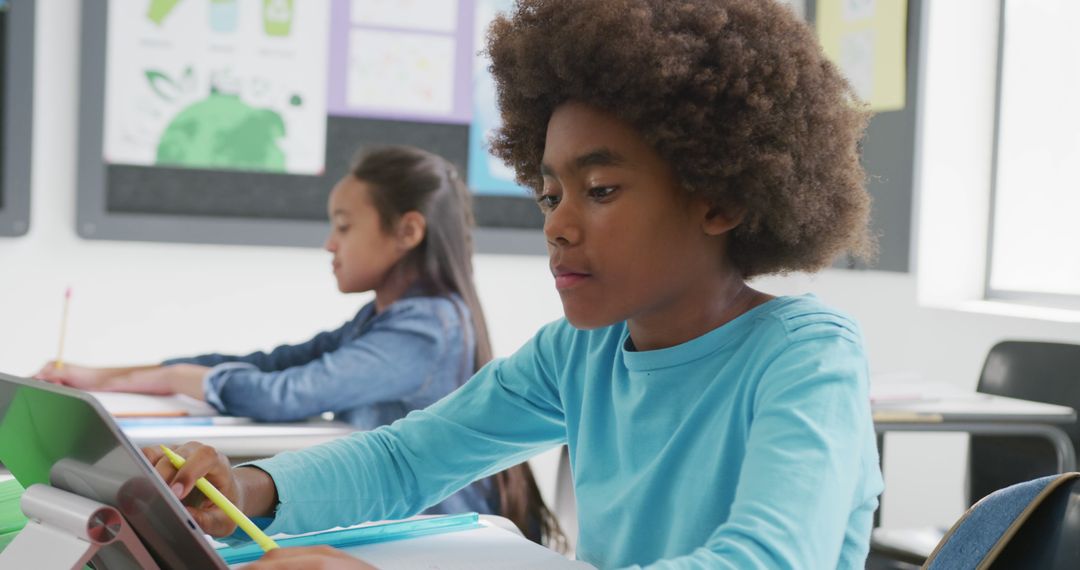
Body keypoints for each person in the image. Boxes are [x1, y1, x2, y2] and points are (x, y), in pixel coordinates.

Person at [141, 0, 885, 567]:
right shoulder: (579, 353)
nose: (557, 226)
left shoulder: (806, 355)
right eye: (550, 193)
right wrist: (248, 489)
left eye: (599, 190)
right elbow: (408, 456)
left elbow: (763, 560)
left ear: (718, 197)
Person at [35, 145, 556, 540]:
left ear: (408, 231)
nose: (330, 243)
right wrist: (100, 376)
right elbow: (267, 363)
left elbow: (286, 392)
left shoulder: (427, 327)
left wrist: (174, 379)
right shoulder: (378, 318)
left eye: (344, 227)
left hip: (431, 531)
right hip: (380, 512)